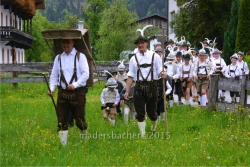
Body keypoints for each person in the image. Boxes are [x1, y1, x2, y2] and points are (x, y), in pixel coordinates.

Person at [48, 38, 89, 146]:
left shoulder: (80, 56)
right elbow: (54, 76)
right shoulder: (58, 58)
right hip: (62, 93)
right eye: (63, 42)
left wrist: (75, 84)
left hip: (78, 92)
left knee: (79, 120)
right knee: (61, 120)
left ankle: (85, 141)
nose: (65, 45)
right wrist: (52, 89)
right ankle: (63, 147)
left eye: (67, 42)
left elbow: (86, 74)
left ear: (73, 43)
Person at [124, 35, 165, 137]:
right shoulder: (133, 59)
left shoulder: (154, 56)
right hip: (138, 87)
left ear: (147, 43)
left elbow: (160, 70)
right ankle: (142, 135)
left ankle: (154, 124)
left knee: (152, 112)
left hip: (152, 86)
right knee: (140, 111)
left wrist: (163, 74)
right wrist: (127, 91)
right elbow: (130, 76)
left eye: (142, 43)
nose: (140, 45)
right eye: (138, 43)